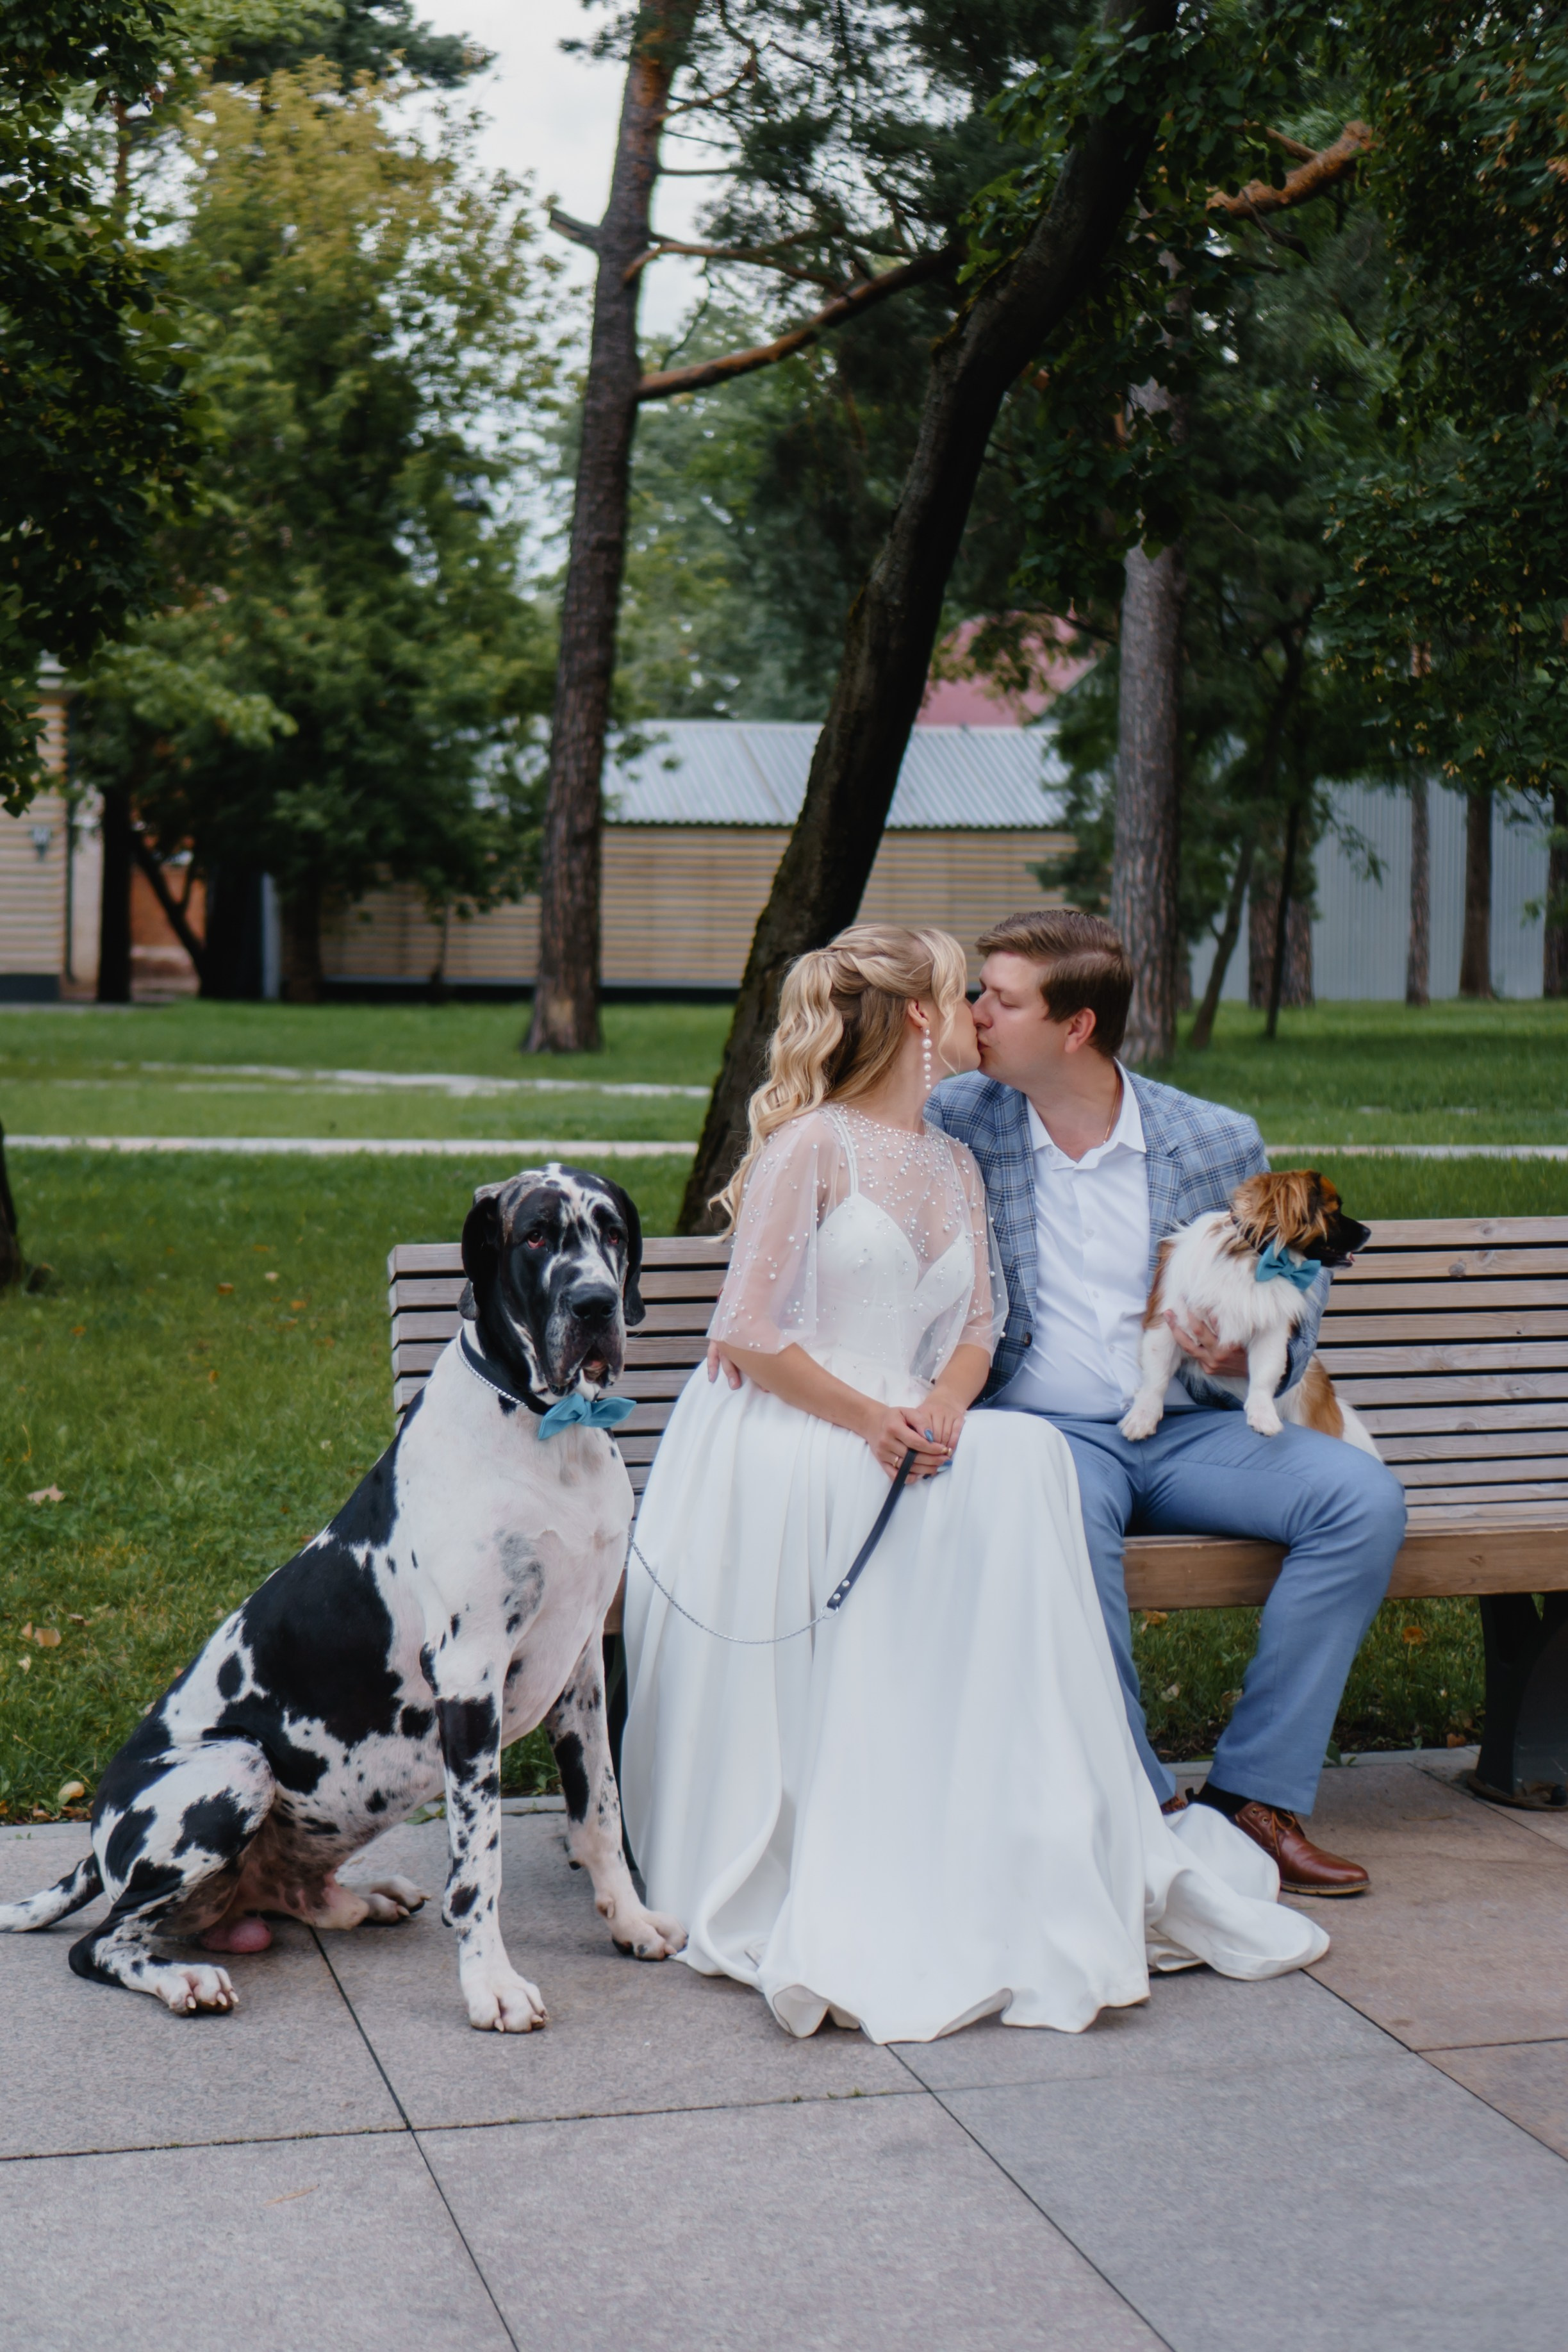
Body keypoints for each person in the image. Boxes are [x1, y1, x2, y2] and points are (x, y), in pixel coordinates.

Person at [620, 922, 1327, 2046]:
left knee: (1025, 1458)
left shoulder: (952, 1157)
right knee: (1012, 1470)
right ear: (917, 1017)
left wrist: (946, 1402)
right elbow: (747, 1333)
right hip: (800, 1425)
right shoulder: (814, 1145)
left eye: (994, 998)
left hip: (913, 1414)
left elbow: (982, 1325)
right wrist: (871, 1420)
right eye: (965, 995)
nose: (978, 1016)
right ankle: (908, 1826)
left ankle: (1039, 1816)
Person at [925, 908, 1409, 1897]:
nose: (976, 1012)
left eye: (1000, 998)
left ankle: (1254, 1797)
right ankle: (1144, 1800)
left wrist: (1243, 1353)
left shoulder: (1209, 1136)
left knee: (1361, 1501)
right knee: (1060, 1517)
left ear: (1077, 1028)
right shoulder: (956, 1118)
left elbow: (1300, 1279)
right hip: (1045, 1430)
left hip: (1191, 1426)